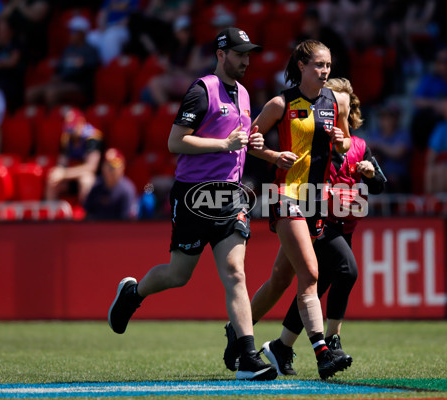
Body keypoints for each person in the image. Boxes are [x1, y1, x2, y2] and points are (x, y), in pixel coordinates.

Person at [107, 27, 278, 381]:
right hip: (193, 195)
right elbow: (175, 142)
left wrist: (252, 142)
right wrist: (224, 144)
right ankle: (132, 293)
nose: (246, 60)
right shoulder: (202, 91)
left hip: (230, 194)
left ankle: (247, 356)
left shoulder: (245, 94)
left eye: (248, 54)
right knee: (178, 275)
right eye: (239, 53)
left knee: (235, 273)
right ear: (221, 54)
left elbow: (239, 141)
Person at [223, 39, 353, 380]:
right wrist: (272, 155)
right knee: (310, 273)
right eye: (318, 65)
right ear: (301, 66)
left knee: (281, 279)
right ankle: (322, 352)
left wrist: (343, 142)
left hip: (316, 201)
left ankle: (237, 330)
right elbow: (250, 141)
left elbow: (348, 141)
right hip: (285, 194)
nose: (324, 72)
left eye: (328, 66)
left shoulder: (335, 102)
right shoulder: (281, 103)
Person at [261, 77, 386, 376]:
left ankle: (282, 345)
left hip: (344, 226)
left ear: (346, 110)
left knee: (313, 286)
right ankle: (331, 341)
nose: (330, 112)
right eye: (328, 106)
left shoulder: (359, 146)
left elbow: (380, 185)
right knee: (346, 271)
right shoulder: (319, 145)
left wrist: (369, 174)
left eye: (337, 107)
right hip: (317, 221)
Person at [25, 15, 99, 107]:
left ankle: (54, 119)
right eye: (70, 31)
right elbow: (60, 67)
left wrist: (68, 75)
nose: (70, 34)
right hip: (62, 82)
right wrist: (56, 76)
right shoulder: (68, 50)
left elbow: (89, 67)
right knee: (31, 93)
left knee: (51, 93)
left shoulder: (90, 50)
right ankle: (37, 119)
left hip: (79, 85)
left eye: (73, 31)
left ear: (82, 33)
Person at [45, 108, 102, 203]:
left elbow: (91, 168)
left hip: (94, 179)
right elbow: (62, 164)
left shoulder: (93, 137)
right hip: (70, 177)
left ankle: (86, 215)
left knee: (86, 181)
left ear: (81, 122)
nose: (71, 129)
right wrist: (59, 172)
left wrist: (64, 173)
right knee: (53, 179)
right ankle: (51, 213)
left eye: (73, 126)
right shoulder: (66, 137)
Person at [366, 102, 412, 193]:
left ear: (397, 118)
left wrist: (379, 146)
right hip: (376, 176)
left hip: (398, 178)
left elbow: (398, 152)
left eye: (390, 116)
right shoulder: (374, 134)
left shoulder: (403, 134)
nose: (386, 120)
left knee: (389, 180)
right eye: (383, 116)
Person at [84, 148, 137, 220]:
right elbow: (88, 212)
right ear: (103, 167)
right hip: (97, 228)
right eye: (107, 166)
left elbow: (126, 220)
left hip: (118, 229)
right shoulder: (97, 186)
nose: (110, 170)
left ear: (122, 168)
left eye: (113, 167)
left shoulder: (127, 190)